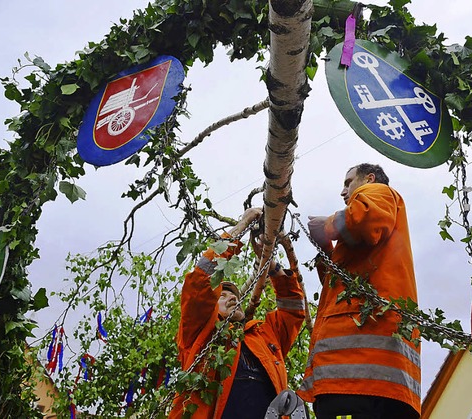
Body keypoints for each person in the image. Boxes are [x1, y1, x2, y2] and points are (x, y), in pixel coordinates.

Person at [297, 163, 421, 419]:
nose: (343, 191)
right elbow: (339, 286)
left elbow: (363, 219)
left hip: (356, 377)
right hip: (373, 380)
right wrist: (324, 247)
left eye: (348, 182)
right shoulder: (372, 240)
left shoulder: (379, 192)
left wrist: (329, 223)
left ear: (369, 179)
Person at [169, 208, 306, 419]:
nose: (233, 298)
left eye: (234, 296)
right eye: (222, 295)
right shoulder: (200, 331)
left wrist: (272, 267)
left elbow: (293, 310)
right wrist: (242, 226)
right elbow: (200, 280)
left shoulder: (265, 334)